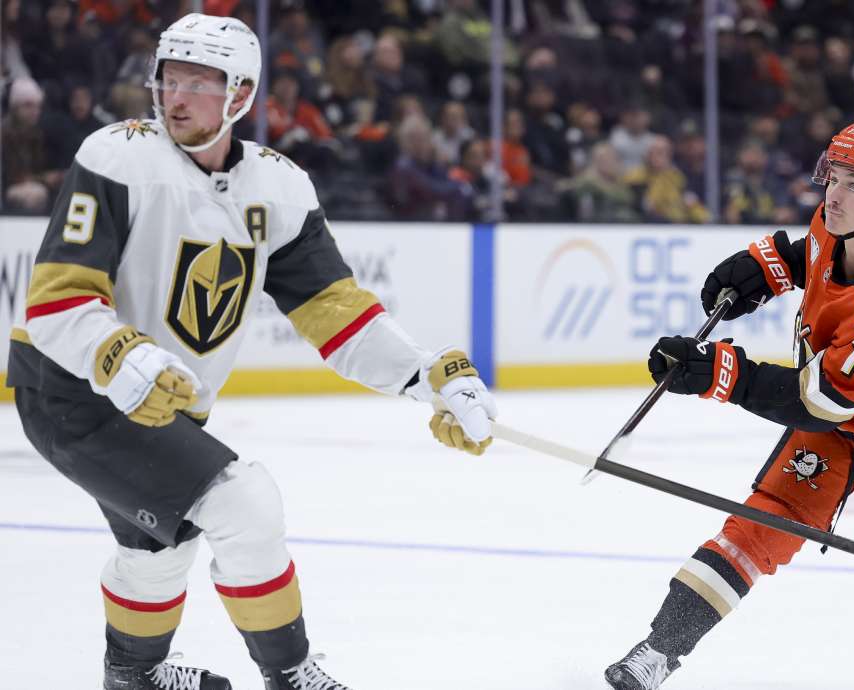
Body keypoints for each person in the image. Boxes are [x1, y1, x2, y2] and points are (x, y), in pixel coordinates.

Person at [6, 14, 497, 690]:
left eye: (197, 84)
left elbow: (336, 313)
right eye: (169, 79)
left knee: (159, 545)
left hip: (165, 403)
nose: (174, 97)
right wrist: (124, 352)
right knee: (245, 507)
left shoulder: (281, 187)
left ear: (239, 94)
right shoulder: (116, 156)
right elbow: (57, 301)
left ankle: (132, 675)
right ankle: (290, 674)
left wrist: (427, 375)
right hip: (69, 389)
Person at [604, 120, 854, 689]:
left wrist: (720, 371)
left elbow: (820, 402)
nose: (833, 194)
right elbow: (809, 255)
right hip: (843, 423)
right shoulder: (837, 224)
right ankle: (659, 651)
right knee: (758, 527)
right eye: (834, 176)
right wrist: (764, 269)